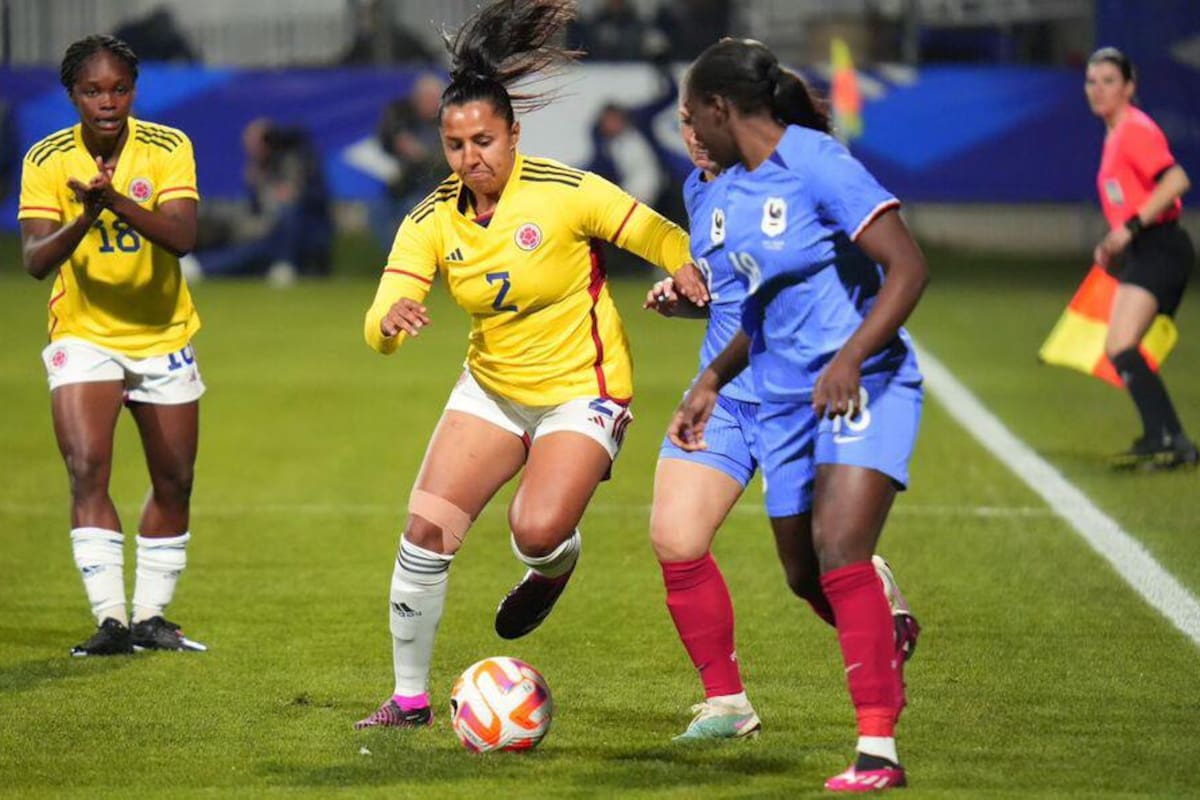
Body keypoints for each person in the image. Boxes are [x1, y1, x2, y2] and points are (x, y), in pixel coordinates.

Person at [355, 0, 706, 729]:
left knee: (535, 531)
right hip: (492, 391)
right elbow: (382, 317)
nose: (470, 157)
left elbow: (660, 234)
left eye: (484, 139)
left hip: (584, 390)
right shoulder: (429, 221)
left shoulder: (566, 193)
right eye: (455, 145)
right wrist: (388, 322)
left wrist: (688, 271)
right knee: (424, 534)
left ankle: (554, 563)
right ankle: (411, 698)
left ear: (514, 134)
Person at [669, 38, 928, 790]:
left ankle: (877, 748)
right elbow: (760, 305)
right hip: (782, 401)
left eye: (693, 116)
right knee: (802, 572)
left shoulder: (815, 161)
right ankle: (886, 638)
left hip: (863, 383)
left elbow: (907, 267)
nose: (688, 133)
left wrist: (850, 356)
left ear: (722, 110)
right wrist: (711, 379)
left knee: (842, 547)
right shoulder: (731, 192)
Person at [17, 34, 206, 656]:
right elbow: (36, 261)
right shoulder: (46, 159)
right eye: (93, 90)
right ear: (72, 93)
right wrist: (85, 217)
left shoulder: (168, 146)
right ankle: (112, 621)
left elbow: (182, 237)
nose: (108, 101)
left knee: (174, 478)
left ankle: (152, 617)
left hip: (162, 334)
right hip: (84, 332)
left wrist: (116, 201)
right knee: (86, 467)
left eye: (119, 89)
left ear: (134, 91)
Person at [1085, 47, 1197, 469]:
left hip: (1162, 246)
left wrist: (1129, 229)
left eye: (1109, 81)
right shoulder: (1115, 134)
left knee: (1120, 344)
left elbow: (1177, 179)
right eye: (1092, 81)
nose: (1098, 90)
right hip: (1147, 247)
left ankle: (1168, 438)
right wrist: (1114, 243)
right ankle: (1166, 437)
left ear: (1129, 87)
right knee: (1121, 347)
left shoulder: (1133, 129)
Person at [184, 118, 333, 284]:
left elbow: (314, 198)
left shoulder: (296, 160)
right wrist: (254, 184)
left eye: (253, 144)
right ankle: (198, 265)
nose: (250, 150)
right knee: (245, 241)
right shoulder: (260, 168)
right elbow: (255, 207)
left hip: (296, 234)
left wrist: (294, 194)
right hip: (266, 228)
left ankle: (283, 264)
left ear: (266, 142)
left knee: (260, 246)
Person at [369, 73, 447, 251]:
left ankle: (420, 261)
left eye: (431, 98)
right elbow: (384, 135)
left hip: (433, 189)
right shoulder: (404, 118)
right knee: (377, 210)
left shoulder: (448, 125)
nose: (427, 103)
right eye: (423, 99)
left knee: (413, 208)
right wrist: (398, 141)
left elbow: (445, 162)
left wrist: (421, 153)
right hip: (401, 186)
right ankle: (397, 260)